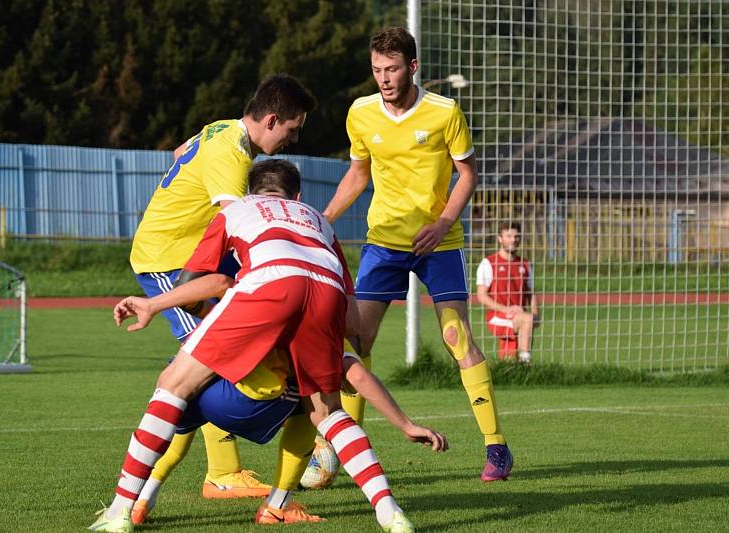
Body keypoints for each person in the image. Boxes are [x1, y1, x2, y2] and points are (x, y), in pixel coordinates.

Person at [90, 160, 422, 532]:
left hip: (269, 286)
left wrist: (155, 304)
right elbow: (353, 325)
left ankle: (120, 510)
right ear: (297, 196)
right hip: (326, 295)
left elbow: (203, 279)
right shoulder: (319, 221)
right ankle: (390, 513)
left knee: (174, 384)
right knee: (326, 413)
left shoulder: (237, 210)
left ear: (250, 192)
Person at [322, 26, 513, 482]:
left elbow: (467, 174)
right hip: (383, 242)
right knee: (355, 341)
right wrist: (322, 219)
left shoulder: (445, 111)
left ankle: (496, 447)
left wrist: (444, 222)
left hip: (439, 243)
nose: (383, 79)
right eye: (376, 70)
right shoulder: (361, 113)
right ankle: (345, 450)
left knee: (456, 337)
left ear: (412, 67)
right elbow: (358, 173)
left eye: (391, 69)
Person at [128, 73, 317, 502]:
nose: (293, 139)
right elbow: (244, 228)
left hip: (196, 256)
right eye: (292, 129)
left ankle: (175, 484)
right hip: (171, 264)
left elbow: (180, 152)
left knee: (214, 361)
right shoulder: (232, 157)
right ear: (271, 120)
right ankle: (216, 474)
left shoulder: (224, 129)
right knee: (206, 364)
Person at [476, 221, 539, 364]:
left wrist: (536, 314)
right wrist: (507, 309)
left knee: (508, 360)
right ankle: (526, 363)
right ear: (500, 238)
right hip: (497, 316)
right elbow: (481, 296)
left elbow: (531, 292)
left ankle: (511, 371)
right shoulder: (488, 263)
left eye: (516, 237)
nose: (513, 240)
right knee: (527, 320)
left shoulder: (525, 264)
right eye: (508, 236)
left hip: (519, 316)